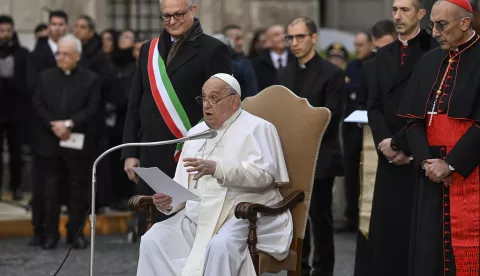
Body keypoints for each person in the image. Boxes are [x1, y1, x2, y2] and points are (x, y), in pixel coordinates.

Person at [136, 73, 292, 276]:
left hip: (241, 215)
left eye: (214, 98)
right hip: (198, 216)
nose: (206, 105)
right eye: (203, 98)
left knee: (220, 246)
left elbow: (263, 177)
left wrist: (217, 168)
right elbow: (182, 185)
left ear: (234, 101)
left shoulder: (258, 128)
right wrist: (168, 201)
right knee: (153, 238)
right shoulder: (196, 132)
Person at [122, 0, 233, 236]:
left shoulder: (213, 49)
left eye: (179, 15)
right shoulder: (148, 51)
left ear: (193, 10)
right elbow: (135, 104)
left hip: (192, 155)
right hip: (151, 150)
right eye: (167, 16)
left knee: (186, 232)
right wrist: (131, 152)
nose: (172, 21)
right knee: (150, 230)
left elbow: (223, 107)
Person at [398, 0, 480, 275]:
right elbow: (413, 122)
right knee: (429, 253)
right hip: (431, 175)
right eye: (432, 25)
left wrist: (452, 164)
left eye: (442, 25)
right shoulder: (429, 60)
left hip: (470, 174)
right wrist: (426, 163)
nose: (434, 32)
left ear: (465, 23)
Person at [366, 0, 436, 275]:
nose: (397, 15)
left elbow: (428, 105)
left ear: (420, 14)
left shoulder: (434, 50)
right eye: (394, 9)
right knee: (388, 228)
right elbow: (374, 105)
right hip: (389, 154)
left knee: (416, 228)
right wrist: (386, 144)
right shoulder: (384, 55)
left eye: (405, 10)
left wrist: (401, 143)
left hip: (417, 151)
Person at [277, 16, 344, 276]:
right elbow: (278, 112)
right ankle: (298, 268)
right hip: (290, 159)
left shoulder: (332, 73)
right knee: (293, 220)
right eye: (290, 37)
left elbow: (330, 116)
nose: (294, 43)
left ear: (314, 38)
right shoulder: (282, 73)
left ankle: (323, 270)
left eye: (300, 37)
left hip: (321, 157)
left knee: (320, 219)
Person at [33, 34, 100, 249]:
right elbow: (38, 104)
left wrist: (69, 124)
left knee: (77, 192)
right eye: (58, 53)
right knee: (49, 192)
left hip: (77, 144)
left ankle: (75, 234)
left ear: (77, 56)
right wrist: (55, 125)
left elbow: (92, 109)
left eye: (65, 54)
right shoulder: (45, 76)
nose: (60, 57)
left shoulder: (91, 79)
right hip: (50, 142)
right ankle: (50, 234)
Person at [353, 19, 396, 276]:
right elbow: (363, 103)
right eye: (378, 49)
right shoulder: (369, 69)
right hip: (375, 142)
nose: (383, 54)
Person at [26, 9, 69, 247]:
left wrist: (67, 124)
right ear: (49, 26)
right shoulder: (37, 55)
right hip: (44, 131)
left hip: (69, 132)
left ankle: (64, 231)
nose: (57, 28)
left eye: (61, 24)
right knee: (42, 186)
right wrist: (53, 123)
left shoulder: (74, 52)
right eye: (53, 24)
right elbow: (34, 93)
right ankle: (40, 231)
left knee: (65, 185)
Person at [341, 31, 373, 233]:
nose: (357, 49)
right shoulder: (352, 65)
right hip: (351, 127)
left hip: (370, 127)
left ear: (371, 44)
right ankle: (351, 217)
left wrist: (353, 88)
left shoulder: (375, 63)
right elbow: (348, 89)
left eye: (361, 44)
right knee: (351, 173)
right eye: (355, 44)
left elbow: (360, 89)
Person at [0, 15, 29, 201]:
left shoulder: (22, 53)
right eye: (2, 30)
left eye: (8, 30)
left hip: (16, 111)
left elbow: (26, 82)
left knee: (16, 152)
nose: (5, 34)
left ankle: (16, 186)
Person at [251, 24, 294, 92]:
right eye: (276, 35)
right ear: (268, 41)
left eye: (284, 33)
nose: (282, 37)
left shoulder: (297, 60)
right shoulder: (256, 64)